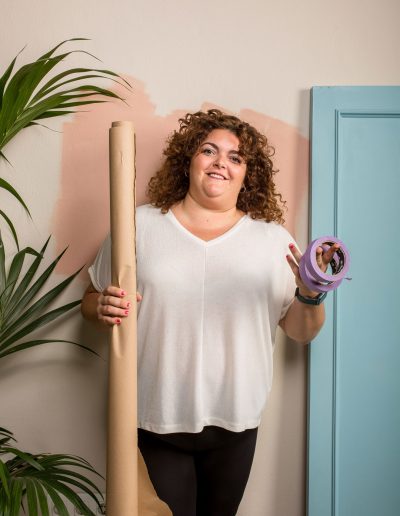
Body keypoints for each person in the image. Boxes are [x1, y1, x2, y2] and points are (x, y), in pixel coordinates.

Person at [81, 109, 336, 516]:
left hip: (236, 423)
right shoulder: (138, 226)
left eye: (235, 157)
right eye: (209, 150)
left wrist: (310, 294)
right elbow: (90, 300)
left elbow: (301, 332)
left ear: (248, 174)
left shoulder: (273, 241)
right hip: (156, 418)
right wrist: (101, 305)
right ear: (189, 160)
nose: (221, 162)